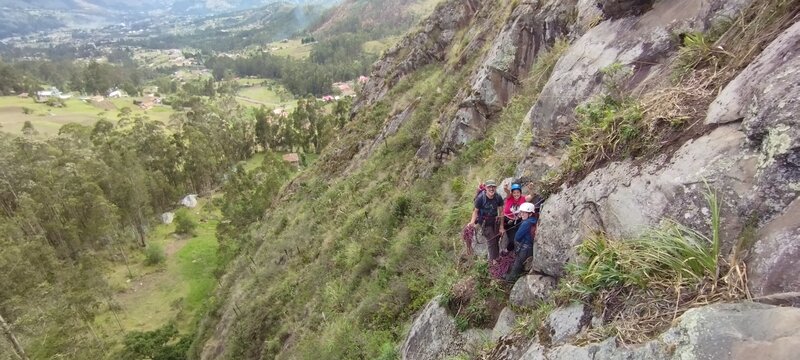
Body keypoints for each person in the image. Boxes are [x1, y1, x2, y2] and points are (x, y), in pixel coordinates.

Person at [467, 180, 504, 264]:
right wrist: (472, 222)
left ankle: (496, 258)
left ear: (495, 188)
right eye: (489, 187)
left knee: (496, 239)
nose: (491, 189)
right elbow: (475, 211)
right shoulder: (481, 198)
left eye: (493, 187)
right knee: (492, 240)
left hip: (495, 221)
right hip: (484, 222)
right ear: (486, 188)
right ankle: (493, 261)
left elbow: (501, 212)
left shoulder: (498, 197)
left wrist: (502, 227)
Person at [504, 202, 537, 282]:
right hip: (530, 247)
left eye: (524, 212)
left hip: (525, 248)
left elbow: (517, 237)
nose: (521, 214)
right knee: (519, 263)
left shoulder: (526, 223)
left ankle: (510, 279)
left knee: (518, 264)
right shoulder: (534, 220)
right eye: (521, 212)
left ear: (530, 214)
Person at [502, 183, 527, 253]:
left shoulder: (523, 198)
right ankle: (507, 250)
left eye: (518, 192)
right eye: (514, 193)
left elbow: (531, 196)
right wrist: (506, 189)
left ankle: (518, 249)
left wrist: (531, 189)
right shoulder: (510, 197)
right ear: (512, 193)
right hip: (508, 221)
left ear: (520, 193)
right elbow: (507, 192)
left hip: (518, 220)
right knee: (513, 239)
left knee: (521, 235)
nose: (516, 194)